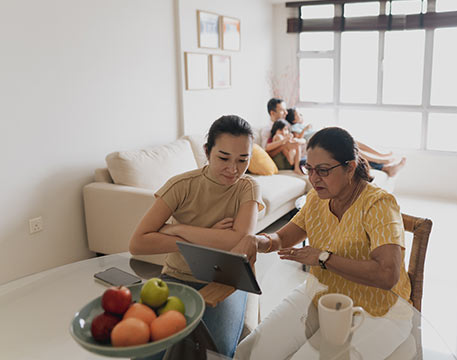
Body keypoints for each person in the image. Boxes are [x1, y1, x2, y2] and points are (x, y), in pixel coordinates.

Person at [235, 127, 413, 359]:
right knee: (249, 353)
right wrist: (256, 241)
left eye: (323, 170)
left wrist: (323, 258)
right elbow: (282, 237)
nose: (313, 178)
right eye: (309, 169)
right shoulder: (316, 199)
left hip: (379, 312)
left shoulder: (378, 204)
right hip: (322, 291)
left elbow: (387, 274)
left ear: (349, 167)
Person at [129, 115, 264, 358]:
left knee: (213, 353)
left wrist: (178, 229)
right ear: (207, 151)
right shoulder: (180, 186)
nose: (233, 170)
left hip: (227, 280)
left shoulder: (248, 187)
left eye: (243, 160)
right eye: (224, 158)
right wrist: (211, 238)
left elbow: (240, 241)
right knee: (147, 350)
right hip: (177, 276)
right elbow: (138, 243)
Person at [283, 104, 407, 177]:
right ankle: (382, 163)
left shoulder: (301, 124)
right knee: (350, 149)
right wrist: (305, 129)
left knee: (353, 141)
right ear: (293, 119)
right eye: (299, 114)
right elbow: (299, 141)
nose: (301, 116)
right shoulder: (294, 128)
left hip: (325, 138)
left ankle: (381, 156)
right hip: (322, 143)